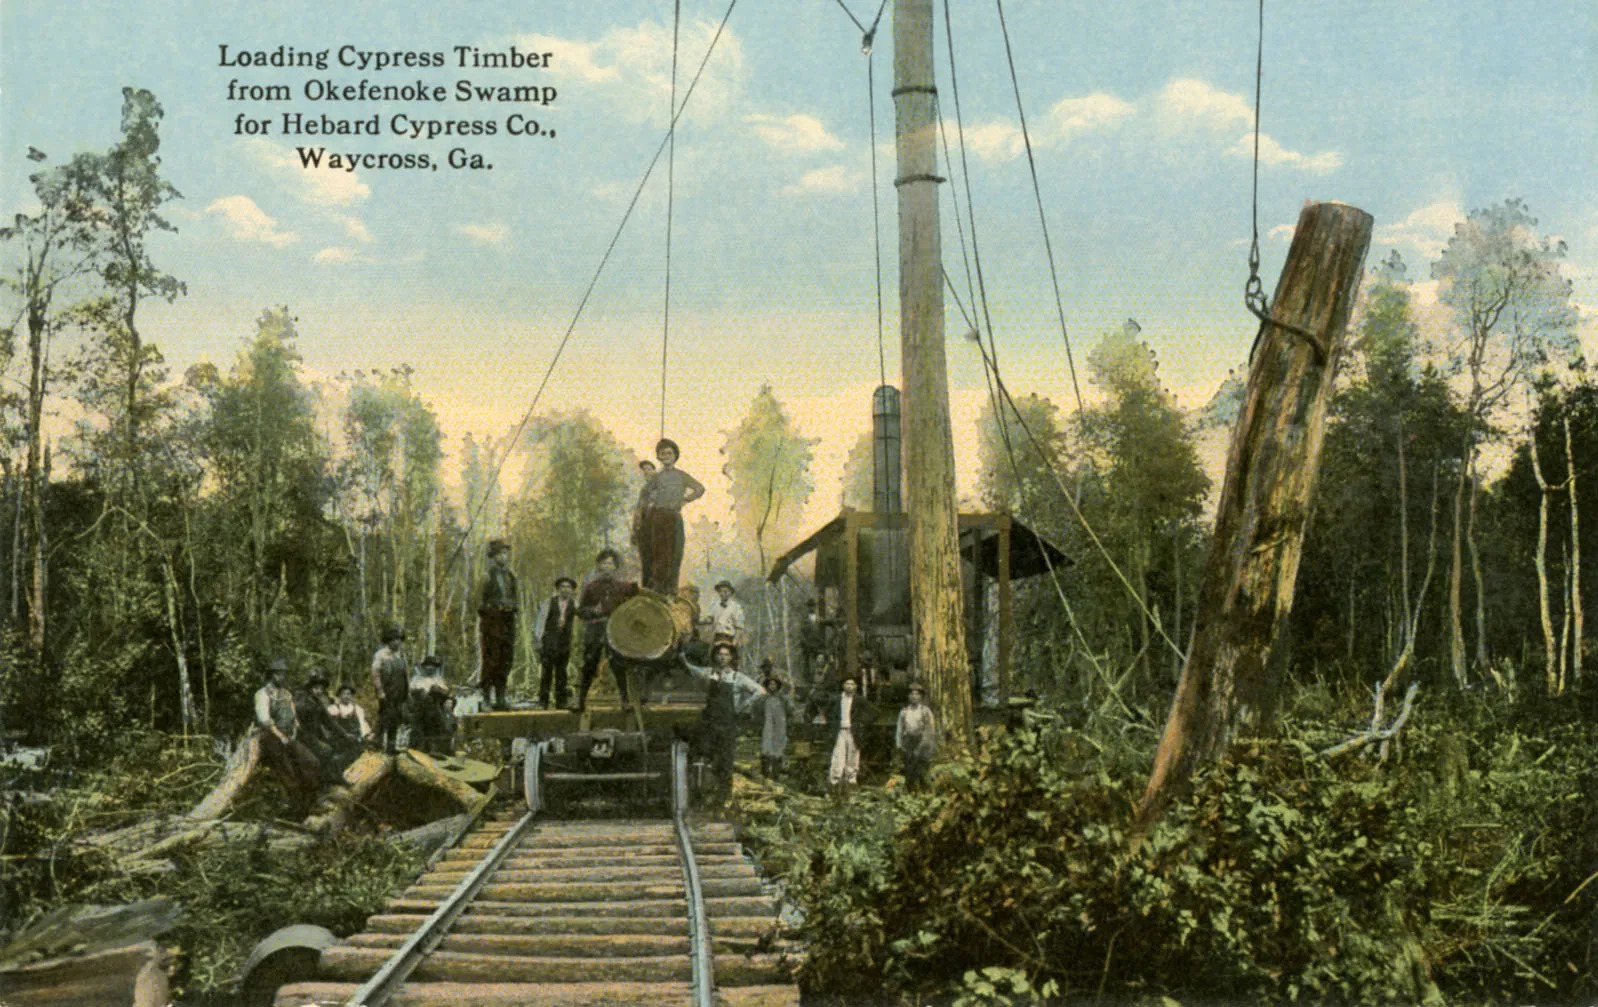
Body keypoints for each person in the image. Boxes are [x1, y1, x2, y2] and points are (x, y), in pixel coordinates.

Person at [685, 642, 764, 805]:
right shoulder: (709, 673)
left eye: (726, 655)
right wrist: (681, 657)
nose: (723, 657)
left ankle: (722, 800)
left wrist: (741, 706)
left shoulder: (737, 678)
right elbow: (691, 669)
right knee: (703, 757)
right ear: (715, 656)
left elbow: (760, 691)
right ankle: (700, 795)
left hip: (727, 725)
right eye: (720, 654)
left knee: (725, 762)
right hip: (709, 723)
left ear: (731, 657)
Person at [573, 548, 640, 711]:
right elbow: (581, 611)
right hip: (595, 629)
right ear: (599, 567)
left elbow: (636, 605)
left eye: (610, 564)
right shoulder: (591, 587)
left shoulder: (624, 587)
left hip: (615, 630)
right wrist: (592, 612)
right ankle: (580, 702)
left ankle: (625, 702)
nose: (607, 567)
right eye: (604, 564)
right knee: (589, 664)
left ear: (615, 567)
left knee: (619, 664)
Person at [636, 438, 704, 593]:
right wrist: (649, 505)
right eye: (662, 453)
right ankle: (656, 587)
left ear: (675, 455)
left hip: (674, 517)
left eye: (669, 453)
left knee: (675, 552)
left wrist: (685, 499)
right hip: (658, 517)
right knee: (658, 552)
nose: (666, 456)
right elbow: (644, 495)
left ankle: (671, 588)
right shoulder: (656, 477)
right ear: (658, 457)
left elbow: (700, 488)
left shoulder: (681, 475)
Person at [254, 658, 321, 805]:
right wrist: (280, 736)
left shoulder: (286, 693)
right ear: (272, 675)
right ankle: (298, 808)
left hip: (289, 736)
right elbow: (264, 720)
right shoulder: (263, 694)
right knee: (288, 771)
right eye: (280, 674)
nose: (282, 677)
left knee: (311, 761)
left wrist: (295, 729)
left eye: (284, 674)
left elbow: (293, 714)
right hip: (272, 738)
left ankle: (312, 803)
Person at [478, 538, 519, 711]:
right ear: (493, 556)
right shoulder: (486, 576)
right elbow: (479, 603)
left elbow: (516, 598)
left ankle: (501, 696)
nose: (505, 556)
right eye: (501, 553)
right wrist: (493, 611)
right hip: (492, 621)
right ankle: (486, 697)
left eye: (506, 553)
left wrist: (512, 608)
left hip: (508, 621)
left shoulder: (510, 576)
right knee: (491, 659)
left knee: (506, 658)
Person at [295, 669, 349, 781]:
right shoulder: (302, 703)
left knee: (339, 745)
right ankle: (331, 781)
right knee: (326, 750)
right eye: (316, 688)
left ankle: (335, 778)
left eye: (321, 688)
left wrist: (345, 734)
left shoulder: (317, 702)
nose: (319, 691)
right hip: (304, 736)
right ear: (310, 688)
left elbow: (329, 722)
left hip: (316, 735)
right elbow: (300, 727)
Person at [533, 575, 578, 709]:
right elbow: (539, 622)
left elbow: (584, 615)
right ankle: (543, 702)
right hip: (549, 642)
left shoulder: (574, 604)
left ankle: (561, 702)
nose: (565, 590)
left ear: (572, 590)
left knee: (562, 673)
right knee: (546, 673)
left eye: (568, 587)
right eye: (563, 587)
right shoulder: (549, 603)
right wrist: (538, 640)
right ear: (558, 589)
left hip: (564, 643)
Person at [824, 674, 876, 792]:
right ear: (843, 686)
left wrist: (862, 723)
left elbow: (874, 712)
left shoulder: (859, 700)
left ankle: (851, 783)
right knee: (838, 756)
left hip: (853, 732)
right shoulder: (836, 699)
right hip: (840, 732)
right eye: (847, 684)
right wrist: (833, 723)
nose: (849, 686)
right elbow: (827, 713)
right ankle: (834, 783)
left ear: (856, 687)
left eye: (852, 684)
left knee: (853, 758)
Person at [370, 626, 409, 754]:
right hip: (387, 692)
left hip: (400, 692)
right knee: (384, 719)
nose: (397, 642)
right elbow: (375, 674)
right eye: (394, 640)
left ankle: (391, 748)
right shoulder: (381, 655)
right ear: (388, 641)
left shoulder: (401, 655)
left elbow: (405, 674)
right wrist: (380, 691)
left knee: (396, 720)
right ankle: (376, 745)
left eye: (399, 640)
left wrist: (406, 693)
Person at [755, 665, 798, 780]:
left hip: (780, 727)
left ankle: (775, 775)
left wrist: (789, 725)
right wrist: (759, 725)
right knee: (766, 749)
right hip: (767, 727)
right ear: (767, 686)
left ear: (778, 686)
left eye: (774, 684)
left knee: (778, 749)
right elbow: (757, 714)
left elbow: (791, 713)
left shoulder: (784, 700)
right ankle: (764, 774)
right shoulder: (763, 700)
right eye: (770, 684)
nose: (772, 686)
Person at [896, 682, 937, 792]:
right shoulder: (904, 712)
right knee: (909, 770)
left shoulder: (925, 711)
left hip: (922, 743)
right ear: (908, 697)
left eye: (917, 694)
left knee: (922, 770)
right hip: (909, 743)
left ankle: (926, 793)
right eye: (912, 694)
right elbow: (900, 729)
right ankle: (911, 793)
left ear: (921, 697)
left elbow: (930, 729)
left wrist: (924, 745)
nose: (914, 697)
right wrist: (899, 744)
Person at [702, 580, 746, 659]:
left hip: (730, 639)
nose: (723, 593)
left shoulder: (736, 607)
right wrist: (699, 621)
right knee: (711, 659)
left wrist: (734, 643)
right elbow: (709, 619)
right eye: (721, 591)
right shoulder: (714, 605)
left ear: (730, 593)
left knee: (730, 661)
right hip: (717, 638)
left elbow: (739, 628)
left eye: (726, 591)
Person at [328, 684, 373, 751]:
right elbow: (331, 726)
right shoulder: (334, 708)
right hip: (341, 740)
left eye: (349, 694)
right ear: (339, 695)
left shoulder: (357, 709)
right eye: (344, 694)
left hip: (355, 739)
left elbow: (362, 724)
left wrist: (365, 736)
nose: (347, 696)